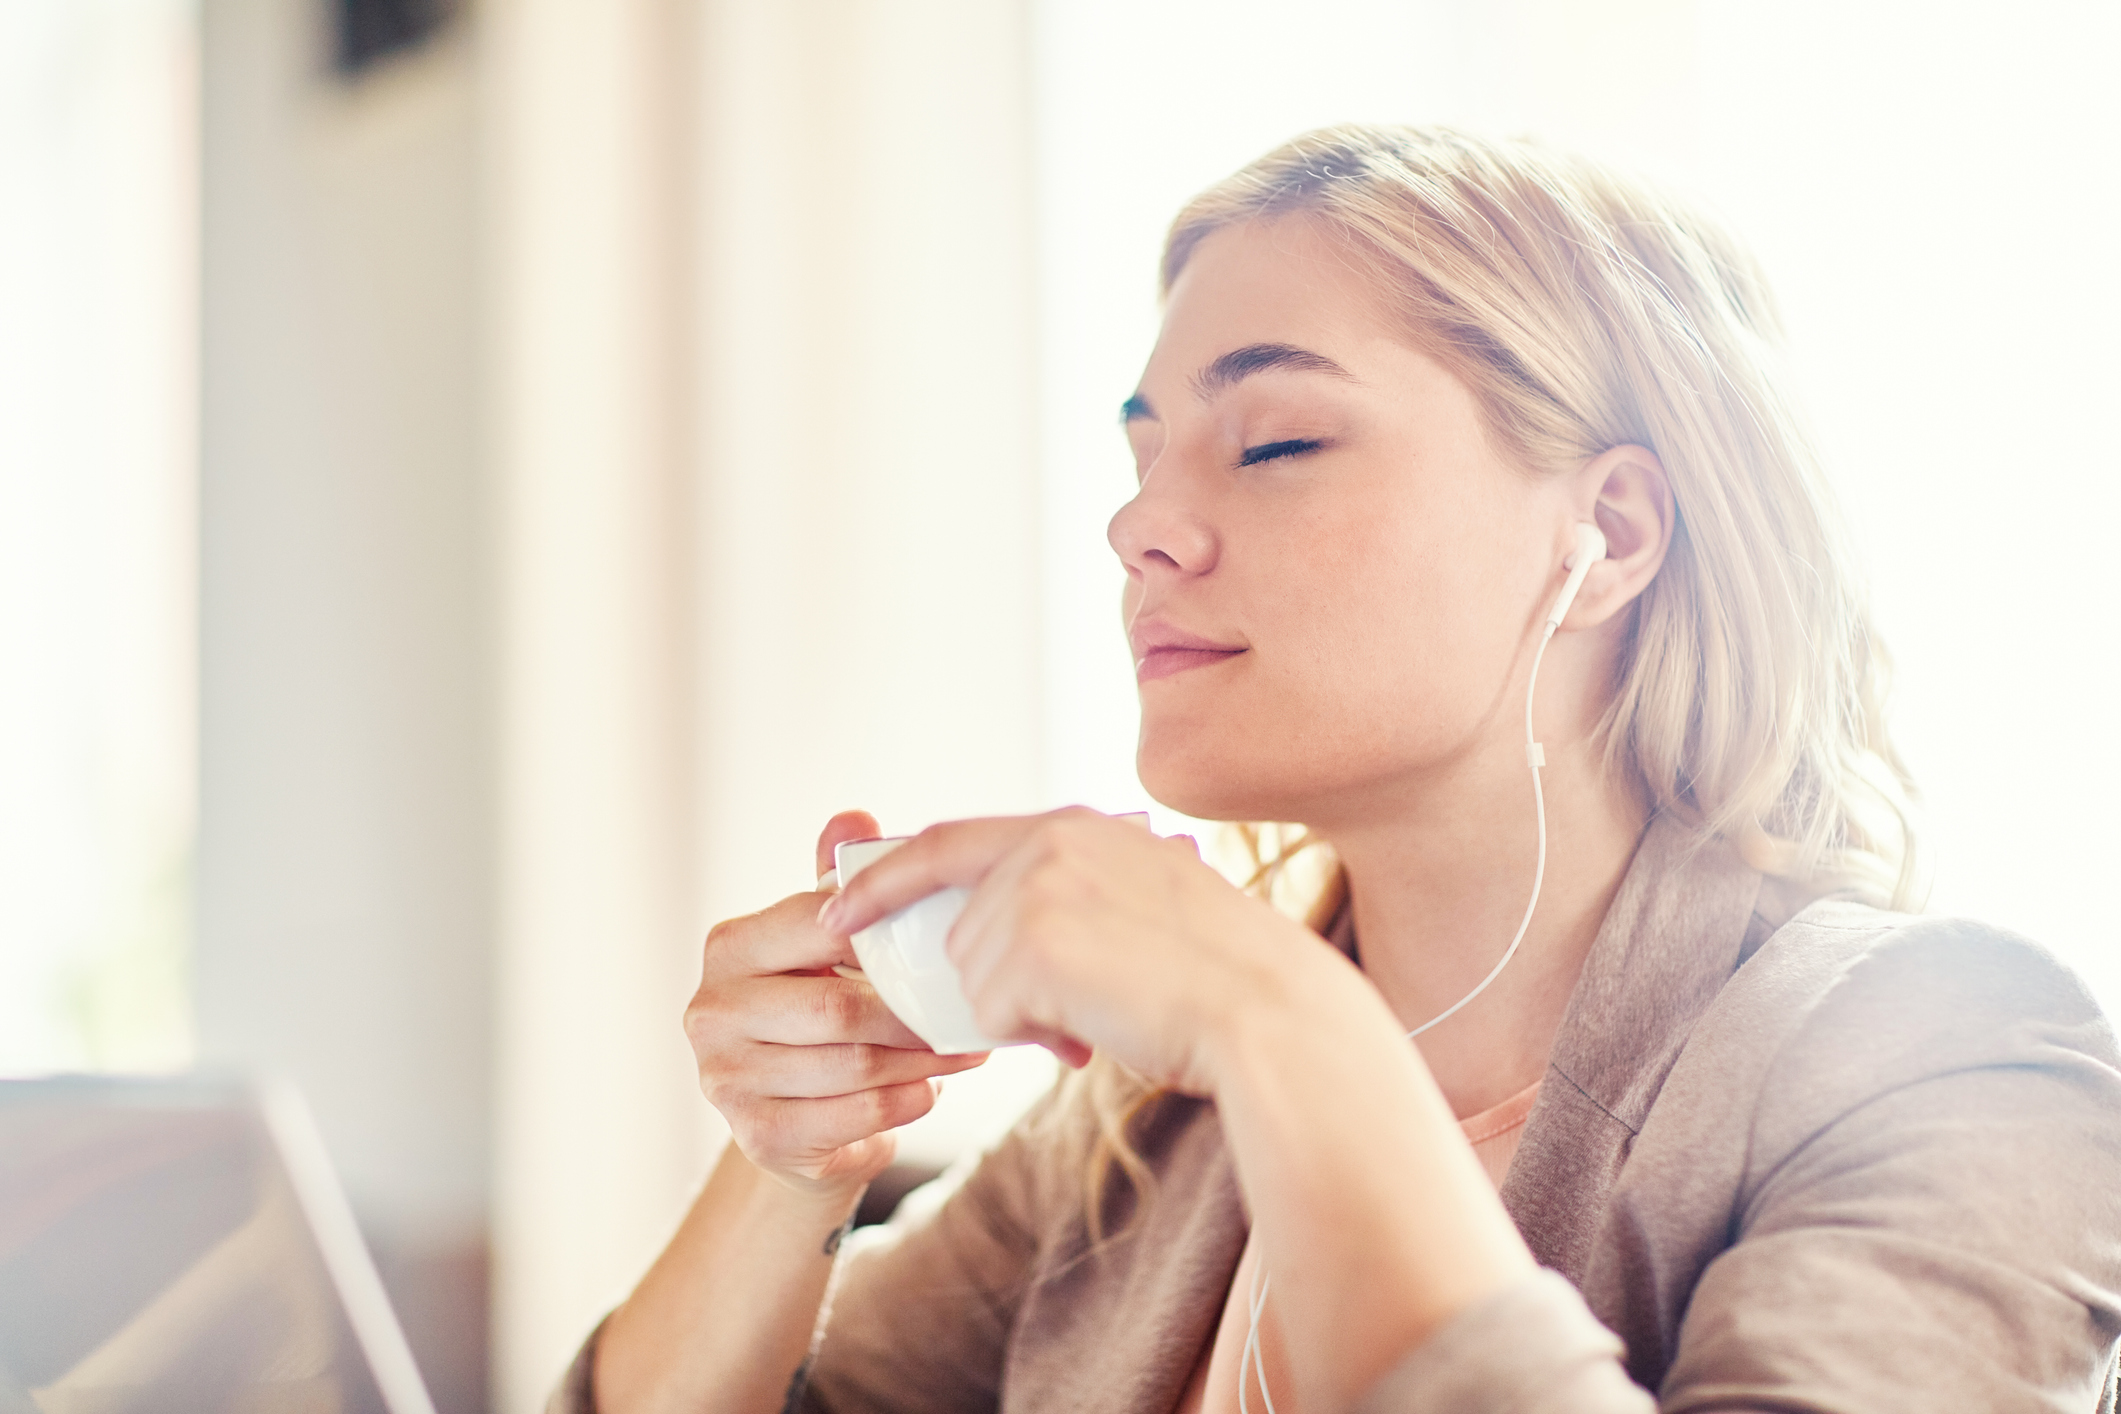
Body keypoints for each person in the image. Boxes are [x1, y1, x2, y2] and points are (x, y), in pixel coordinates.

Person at [561, 127, 2121, 1413]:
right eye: (1141, 451)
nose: (1138, 528)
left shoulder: (1959, 1060)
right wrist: (794, 1163)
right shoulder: (1129, 1138)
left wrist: (1273, 1017)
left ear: (1611, 536)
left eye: (1273, 441)